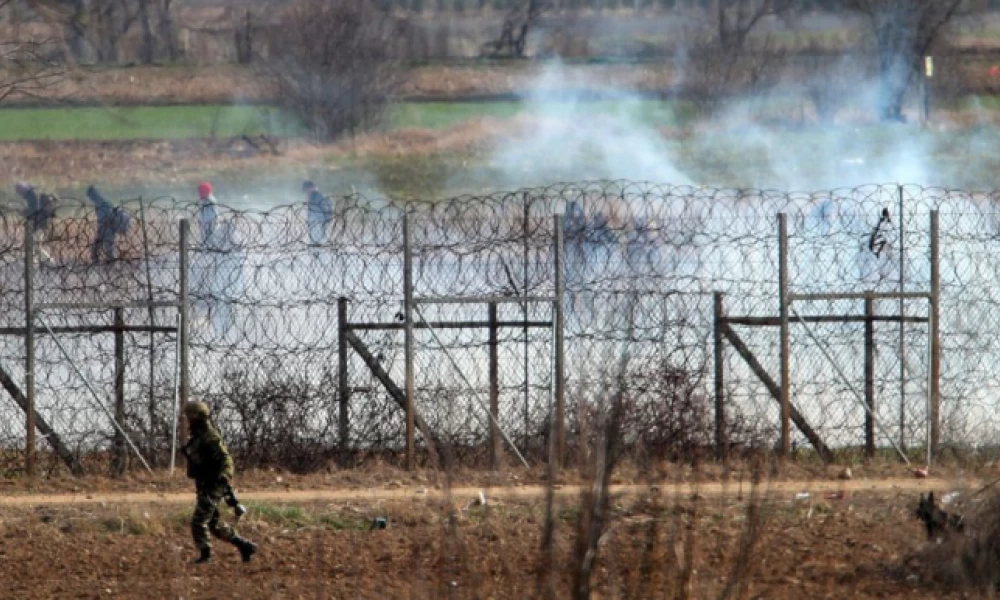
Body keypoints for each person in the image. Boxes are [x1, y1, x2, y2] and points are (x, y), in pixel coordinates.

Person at [181, 401, 258, 564]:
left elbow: (226, 460)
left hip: (213, 484)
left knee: (199, 521)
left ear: (196, 417)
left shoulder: (210, 436)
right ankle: (244, 546)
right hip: (206, 483)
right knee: (214, 524)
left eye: (190, 416)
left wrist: (223, 477)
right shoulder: (199, 435)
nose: (187, 420)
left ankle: (206, 555)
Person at [86, 185, 130, 263]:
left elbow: (108, 214)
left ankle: (108, 258)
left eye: (91, 196)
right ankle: (99, 257)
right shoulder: (102, 203)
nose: (90, 198)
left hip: (108, 225)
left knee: (107, 243)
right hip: (105, 225)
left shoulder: (103, 203)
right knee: (101, 242)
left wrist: (106, 223)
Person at [15, 182, 56, 263]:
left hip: (38, 224)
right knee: (34, 245)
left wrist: (22, 212)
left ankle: (47, 262)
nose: (18, 193)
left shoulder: (31, 196)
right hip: (39, 223)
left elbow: (33, 211)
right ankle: (38, 262)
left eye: (18, 190)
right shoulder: (32, 195)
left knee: (34, 245)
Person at [302, 180, 333, 245]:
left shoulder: (317, 196)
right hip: (314, 223)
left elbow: (326, 208)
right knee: (316, 241)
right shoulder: (312, 196)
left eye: (306, 190)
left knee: (318, 241)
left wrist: (327, 219)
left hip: (318, 222)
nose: (306, 192)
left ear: (311, 188)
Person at [197, 181, 218, 249]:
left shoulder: (210, 201)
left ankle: (210, 247)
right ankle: (206, 245)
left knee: (210, 235)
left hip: (210, 221)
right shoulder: (204, 200)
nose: (199, 194)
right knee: (204, 235)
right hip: (205, 222)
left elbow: (213, 213)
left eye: (201, 192)